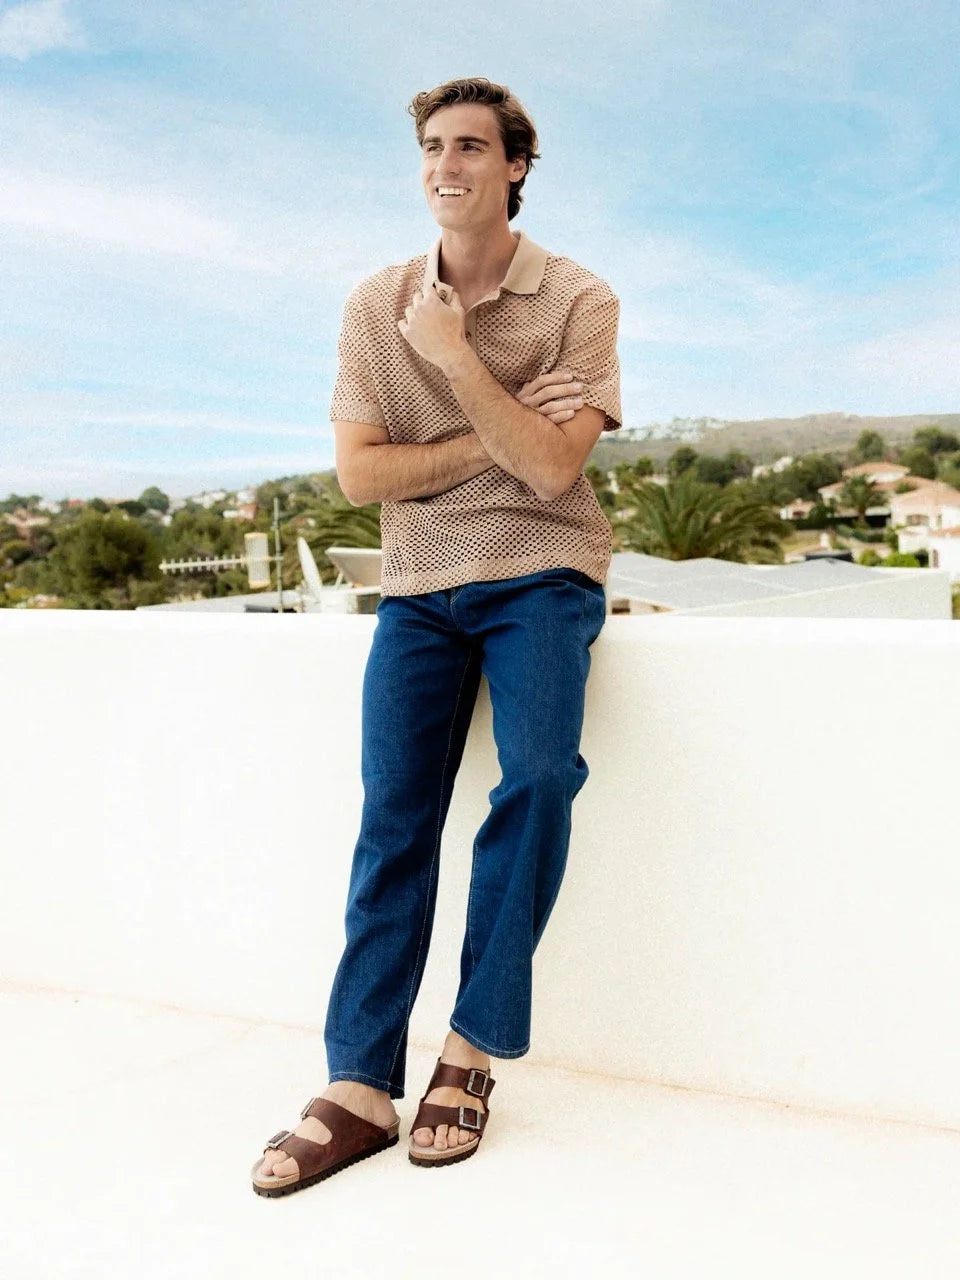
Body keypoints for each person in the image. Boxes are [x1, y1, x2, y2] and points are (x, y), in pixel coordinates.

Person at [251, 75, 621, 1196]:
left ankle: (469, 1048)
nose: (445, 166)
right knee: (394, 818)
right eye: (431, 147)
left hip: (543, 572)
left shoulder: (580, 298)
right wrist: (494, 429)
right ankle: (360, 1083)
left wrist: (457, 359)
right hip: (417, 586)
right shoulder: (377, 304)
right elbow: (361, 476)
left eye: (470, 146)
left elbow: (553, 470)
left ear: (516, 165)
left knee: (541, 778)